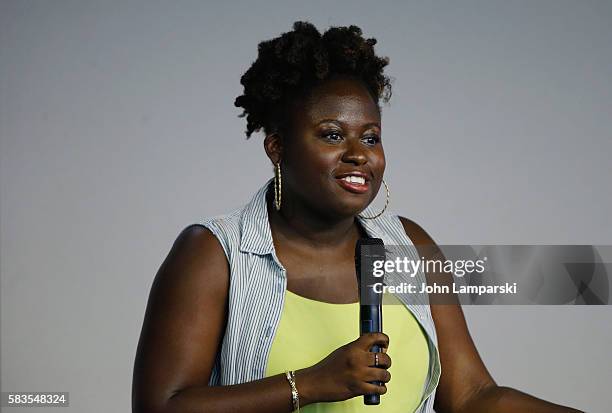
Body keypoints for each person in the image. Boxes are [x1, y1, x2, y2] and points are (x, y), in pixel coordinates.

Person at [132, 21, 584, 413]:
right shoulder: (215, 252)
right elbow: (162, 406)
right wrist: (309, 385)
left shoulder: (410, 246)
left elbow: (471, 397)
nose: (358, 155)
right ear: (277, 147)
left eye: (370, 138)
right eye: (332, 135)